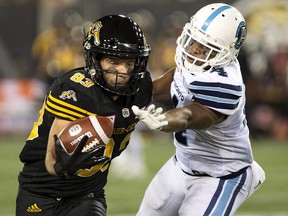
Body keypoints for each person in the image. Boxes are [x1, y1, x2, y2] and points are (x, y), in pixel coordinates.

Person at [132, 3, 266, 216]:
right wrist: (135, 93)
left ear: (224, 53)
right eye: (193, 40)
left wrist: (164, 120)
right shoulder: (197, 63)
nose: (193, 50)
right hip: (183, 163)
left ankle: (247, 176)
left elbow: (191, 115)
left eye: (204, 48)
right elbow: (176, 79)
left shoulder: (225, 84)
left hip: (222, 174)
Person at [16, 14, 152, 216]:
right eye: (114, 61)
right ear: (95, 59)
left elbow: (168, 85)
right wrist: (69, 159)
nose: (123, 70)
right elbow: (52, 162)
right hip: (41, 191)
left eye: (129, 62)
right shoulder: (76, 90)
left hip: (87, 194)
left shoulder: (140, 88)